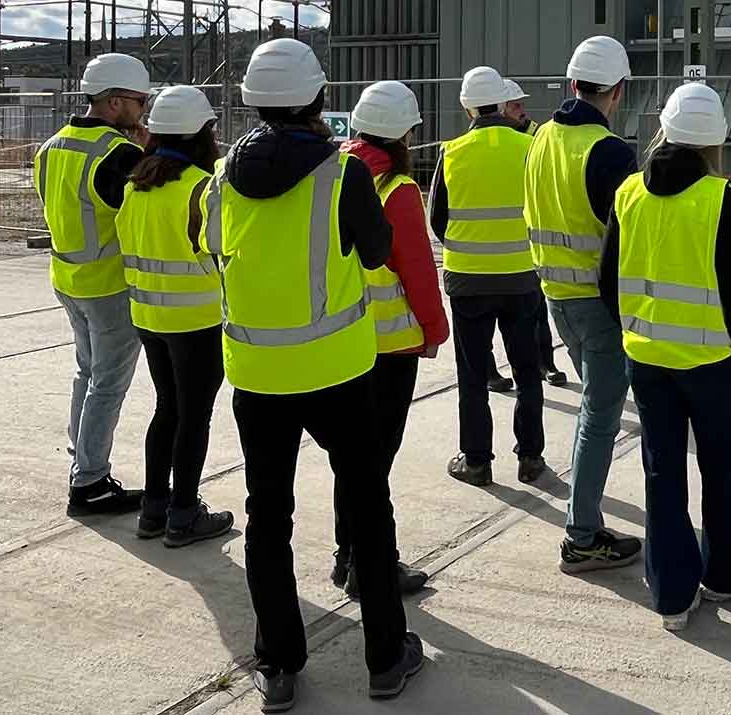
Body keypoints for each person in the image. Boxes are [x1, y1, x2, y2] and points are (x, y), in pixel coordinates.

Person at [203, 40, 421, 711]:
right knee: (368, 507)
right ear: (320, 98)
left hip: (258, 374)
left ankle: (278, 663)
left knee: (268, 517)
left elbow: (208, 247)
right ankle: (385, 657)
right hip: (337, 371)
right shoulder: (342, 173)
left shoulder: (220, 178)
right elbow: (378, 251)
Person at [600, 82, 731, 631]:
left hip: (647, 359)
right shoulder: (719, 197)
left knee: (662, 471)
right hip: (711, 360)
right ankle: (727, 575)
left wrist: (635, 328)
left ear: (665, 129)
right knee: (722, 469)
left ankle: (672, 596)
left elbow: (607, 280)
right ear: (714, 140)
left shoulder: (628, 191)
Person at [524, 37, 643, 575]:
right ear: (618, 91)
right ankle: (582, 536)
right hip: (598, 305)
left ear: (573, 84)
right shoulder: (610, 151)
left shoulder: (540, 138)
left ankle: (584, 526)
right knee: (600, 417)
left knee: (596, 410)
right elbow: (628, 238)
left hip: (555, 297)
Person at [329, 80, 450, 599]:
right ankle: (372, 565)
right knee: (376, 460)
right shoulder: (397, 190)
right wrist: (434, 329)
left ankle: (347, 554)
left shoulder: (332, 172)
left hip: (340, 338)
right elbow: (417, 270)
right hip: (391, 345)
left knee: (351, 456)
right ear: (404, 135)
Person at [114, 85, 235, 548]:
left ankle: (153, 509)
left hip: (149, 317)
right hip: (195, 321)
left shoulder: (135, 186)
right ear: (202, 133)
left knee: (168, 409)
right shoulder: (201, 188)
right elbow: (221, 249)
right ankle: (183, 514)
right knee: (193, 417)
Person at [35, 52, 150, 517]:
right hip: (108, 285)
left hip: (66, 277)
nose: (143, 110)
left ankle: (82, 458)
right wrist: (149, 153)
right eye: (140, 101)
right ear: (117, 101)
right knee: (107, 384)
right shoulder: (118, 154)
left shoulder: (51, 146)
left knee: (87, 373)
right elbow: (144, 214)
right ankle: (90, 482)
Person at [429, 66, 549, 488]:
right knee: (527, 370)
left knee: (473, 374)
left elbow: (438, 219)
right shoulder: (530, 148)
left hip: (468, 281)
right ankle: (531, 458)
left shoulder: (452, 152)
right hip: (521, 277)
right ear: (501, 103)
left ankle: (477, 461)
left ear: (468, 108)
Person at [501, 77, 568, 389]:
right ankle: (493, 371)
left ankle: (547, 363)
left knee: (539, 310)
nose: (522, 110)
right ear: (501, 108)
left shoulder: (538, 134)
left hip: (532, 241)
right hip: (501, 244)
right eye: (516, 105)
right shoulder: (488, 140)